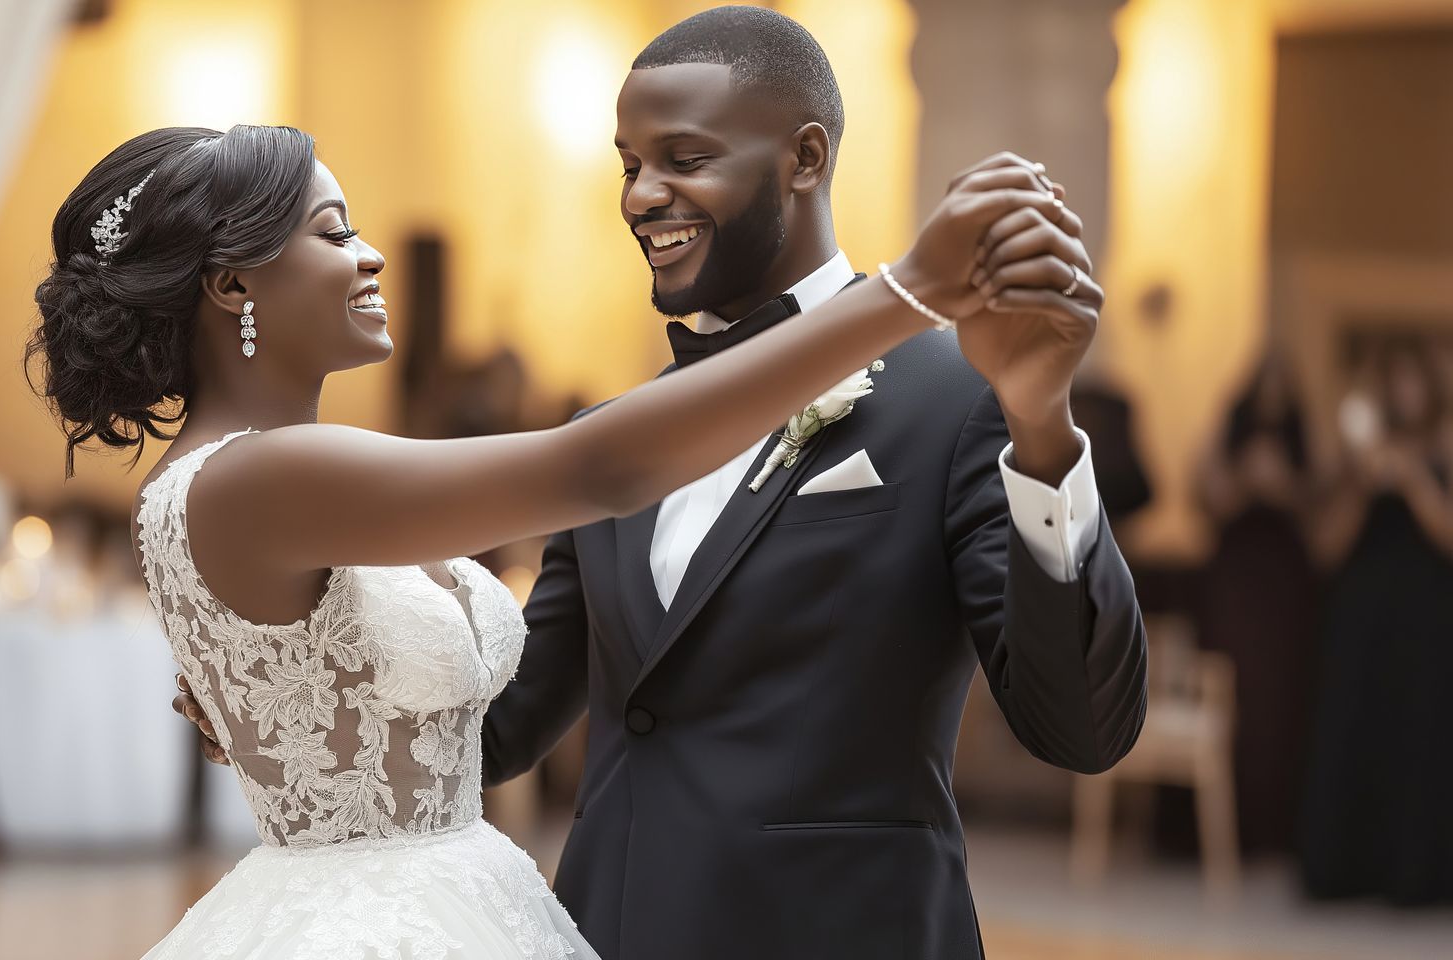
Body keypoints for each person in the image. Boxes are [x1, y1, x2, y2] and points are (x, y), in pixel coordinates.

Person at [185, 9, 1141, 957]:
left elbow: (1082, 729)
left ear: (804, 158)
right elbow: (499, 728)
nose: (643, 194)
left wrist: (1044, 429)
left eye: (684, 159)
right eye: (629, 164)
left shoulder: (953, 399)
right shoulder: (610, 440)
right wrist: (302, 692)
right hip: (609, 930)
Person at [1301, 340, 1453, 905]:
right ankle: (1345, 870)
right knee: (1354, 731)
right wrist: (1364, 483)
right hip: (1363, 622)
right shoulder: (1358, 456)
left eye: (1415, 380)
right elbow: (1325, 549)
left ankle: (1415, 877)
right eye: (1397, 380)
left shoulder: (1445, 445)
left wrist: (1413, 479)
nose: (1406, 392)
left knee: (1421, 741)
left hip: (1429, 626)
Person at [1191, 351, 1317, 855]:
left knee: (1277, 704)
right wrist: (1248, 479)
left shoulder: (1307, 443)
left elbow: (1323, 513)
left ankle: (1270, 832)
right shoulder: (1228, 436)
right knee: (1229, 695)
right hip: (1234, 583)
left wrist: (1284, 487)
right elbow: (1204, 496)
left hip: (1284, 586)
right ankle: (1216, 832)